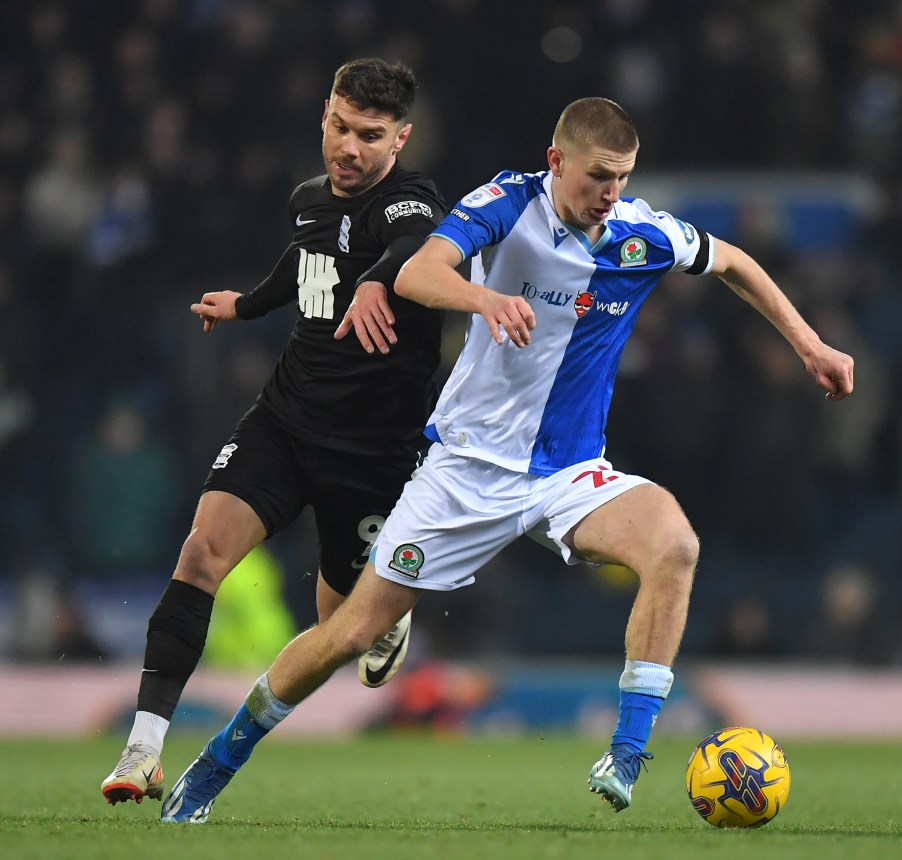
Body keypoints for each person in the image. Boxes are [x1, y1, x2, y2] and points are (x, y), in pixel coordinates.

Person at [158, 97, 854, 823]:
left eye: (622, 177)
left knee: (674, 543)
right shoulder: (506, 201)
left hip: (569, 474)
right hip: (465, 469)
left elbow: (733, 260)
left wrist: (809, 345)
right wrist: (483, 299)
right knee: (351, 634)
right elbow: (416, 274)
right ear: (557, 163)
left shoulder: (640, 231)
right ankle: (213, 767)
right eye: (597, 177)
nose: (610, 193)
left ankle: (625, 753)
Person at [101, 58, 451, 806]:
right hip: (286, 422)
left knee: (342, 630)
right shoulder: (307, 201)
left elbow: (410, 247)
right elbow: (303, 261)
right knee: (201, 552)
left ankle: (385, 611)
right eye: (339, 126)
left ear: (401, 139)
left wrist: (378, 280)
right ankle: (143, 749)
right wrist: (247, 305)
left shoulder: (412, 202)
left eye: (370, 135)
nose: (349, 148)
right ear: (324, 112)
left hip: (372, 456)